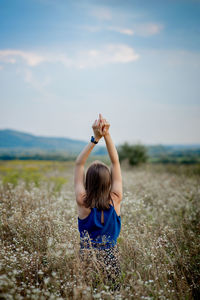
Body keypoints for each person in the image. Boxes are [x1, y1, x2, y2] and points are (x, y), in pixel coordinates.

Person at [74, 113, 123, 290]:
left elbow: (79, 164)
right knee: (113, 292)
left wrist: (95, 139)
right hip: (111, 256)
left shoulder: (83, 202)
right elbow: (115, 162)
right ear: (108, 182)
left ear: (88, 182)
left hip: (87, 256)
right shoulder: (115, 198)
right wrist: (107, 135)